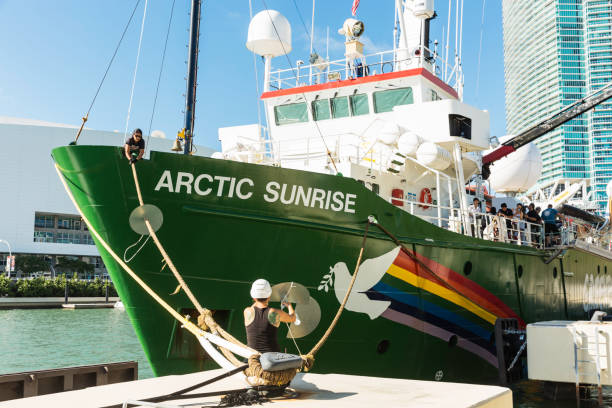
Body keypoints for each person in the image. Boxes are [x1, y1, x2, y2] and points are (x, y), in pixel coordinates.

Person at [244, 279, 296, 354]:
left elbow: (254, 307)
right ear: (269, 296)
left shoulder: (247, 312)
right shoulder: (275, 313)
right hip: (273, 358)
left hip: (252, 358)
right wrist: (289, 305)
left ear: (253, 297)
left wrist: (258, 298)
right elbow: (293, 318)